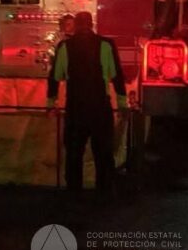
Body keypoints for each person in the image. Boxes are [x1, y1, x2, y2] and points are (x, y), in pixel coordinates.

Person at [47, 11, 128, 197]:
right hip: (100, 109)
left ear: (75, 25)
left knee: (74, 154)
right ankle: (104, 193)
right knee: (103, 154)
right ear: (91, 24)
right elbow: (117, 77)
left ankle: (74, 195)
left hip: (75, 109)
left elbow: (54, 77)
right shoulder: (106, 45)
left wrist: (51, 103)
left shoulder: (64, 47)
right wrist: (123, 104)